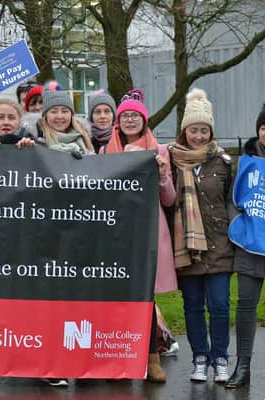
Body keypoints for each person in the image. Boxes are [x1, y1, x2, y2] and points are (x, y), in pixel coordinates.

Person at [102, 88, 177, 382]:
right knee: (115, 297)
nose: (131, 120)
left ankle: (151, 357)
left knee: (145, 298)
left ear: (144, 121)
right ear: (118, 122)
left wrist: (161, 176)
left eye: (136, 115)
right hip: (116, 232)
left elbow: (169, 199)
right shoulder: (105, 153)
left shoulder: (160, 151)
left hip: (147, 231)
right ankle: (114, 355)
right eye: (126, 116)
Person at [168, 88, 233, 383]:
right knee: (192, 306)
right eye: (193, 130)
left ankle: (220, 357)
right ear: (184, 131)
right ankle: (199, 358)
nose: (198, 136)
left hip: (219, 245)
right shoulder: (171, 159)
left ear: (211, 131)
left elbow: (232, 201)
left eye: (204, 130)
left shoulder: (223, 162)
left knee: (219, 305)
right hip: (185, 246)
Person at [225, 101, 265, 388]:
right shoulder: (246, 160)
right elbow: (234, 198)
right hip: (251, 241)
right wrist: (238, 224)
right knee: (245, 305)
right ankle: (242, 367)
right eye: (263, 127)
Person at [32, 90, 93, 157]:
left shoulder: (84, 137)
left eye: (64, 111)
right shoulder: (36, 139)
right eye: (54, 112)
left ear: (71, 115)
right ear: (45, 115)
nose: (59, 116)